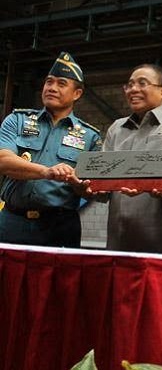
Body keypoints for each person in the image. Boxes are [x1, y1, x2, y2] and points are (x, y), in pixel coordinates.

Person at [0, 52, 101, 247]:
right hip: (12, 221)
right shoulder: (18, 120)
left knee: (59, 278)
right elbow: (3, 160)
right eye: (49, 82)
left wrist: (80, 186)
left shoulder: (90, 137)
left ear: (77, 93)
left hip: (60, 226)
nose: (52, 88)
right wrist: (46, 172)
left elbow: (93, 190)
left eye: (61, 83)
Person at [103, 64, 162, 254]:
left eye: (142, 83)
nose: (133, 89)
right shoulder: (116, 129)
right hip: (118, 243)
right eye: (129, 85)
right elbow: (102, 181)